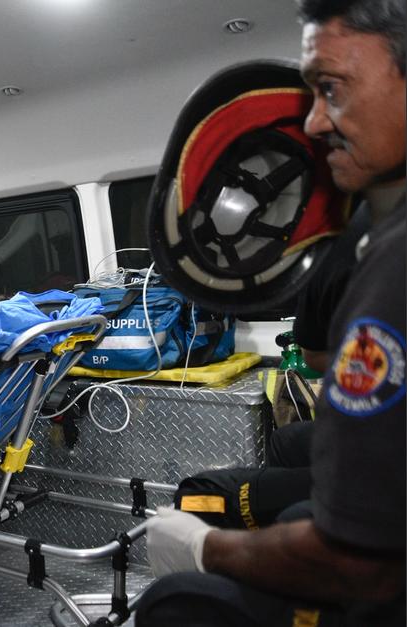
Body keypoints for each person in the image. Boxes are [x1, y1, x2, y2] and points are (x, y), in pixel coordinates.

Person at [138, 1, 405, 625]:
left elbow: (361, 564)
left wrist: (205, 548)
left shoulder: (393, 263)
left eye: (331, 88)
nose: (313, 121)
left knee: (172, 605)